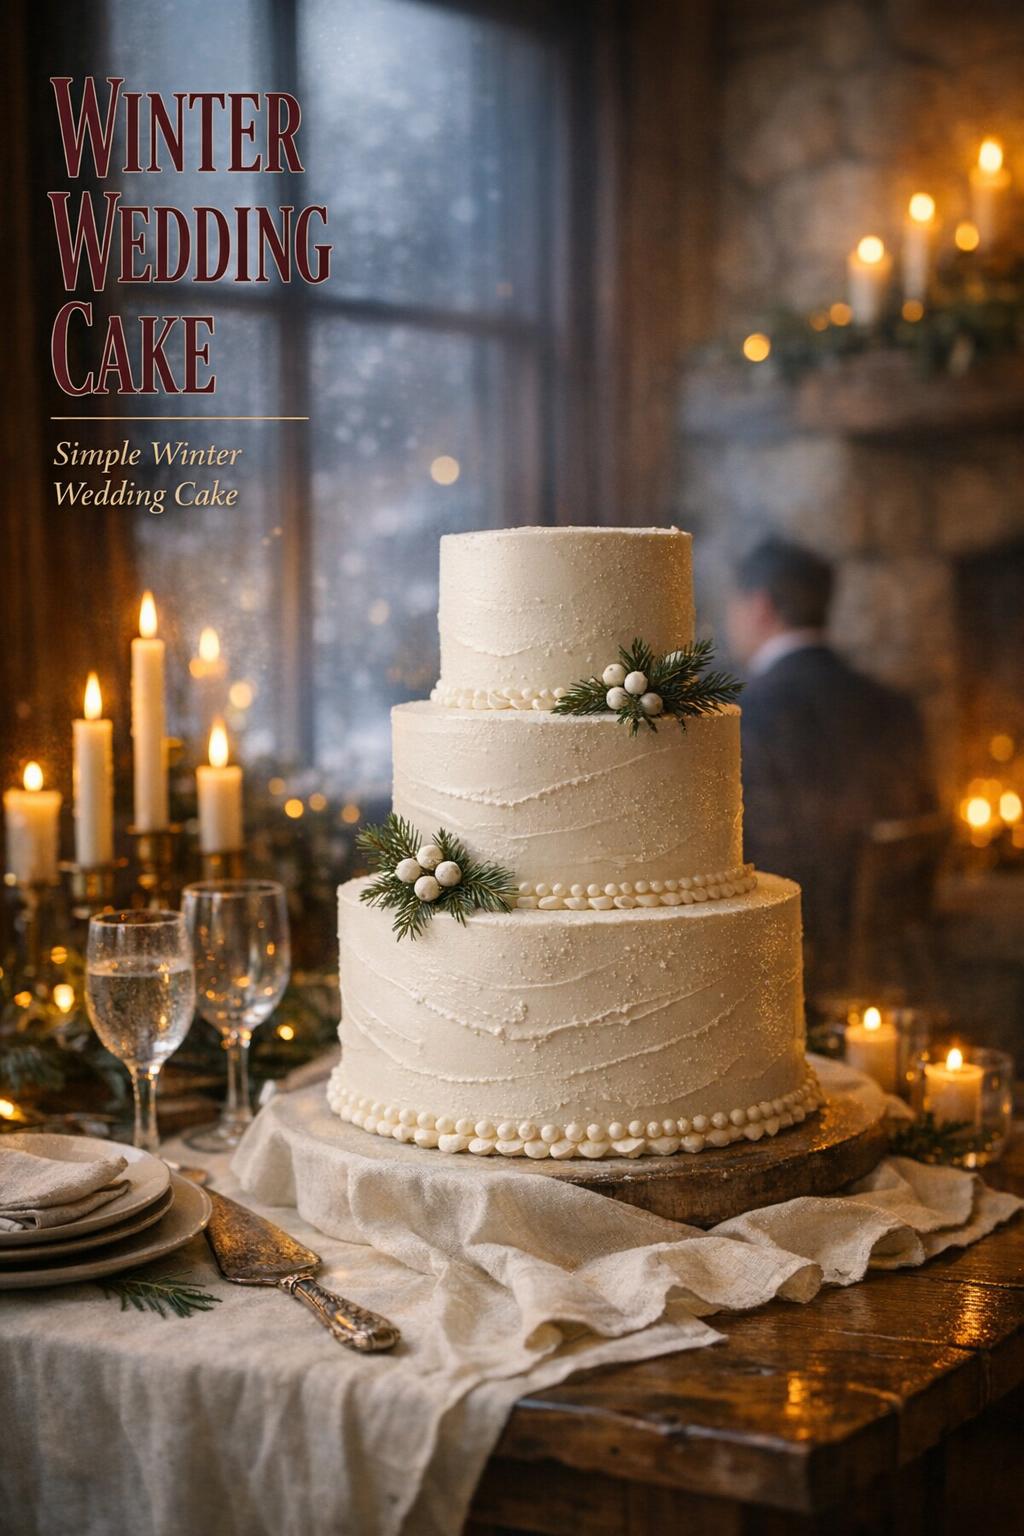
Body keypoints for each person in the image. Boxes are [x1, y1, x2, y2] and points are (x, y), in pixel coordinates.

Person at [726, 538, 935, 993]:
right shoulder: (894, 706)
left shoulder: (743, 716)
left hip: (787, 949)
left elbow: (747, 851)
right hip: (897, 943)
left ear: (760, 607)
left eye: (733, 604)